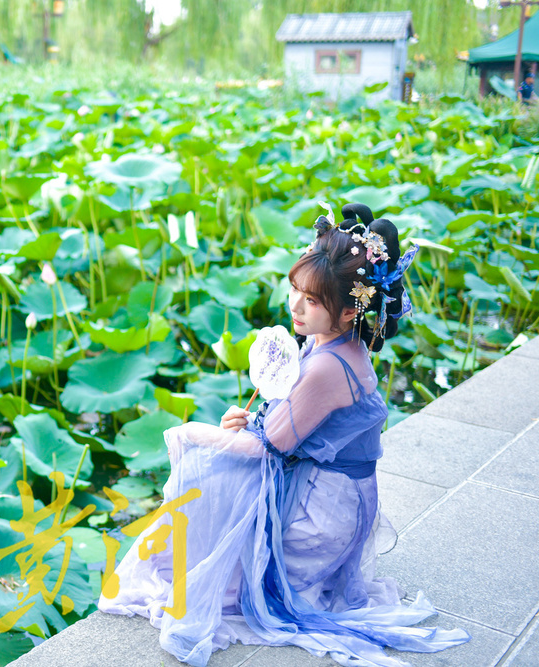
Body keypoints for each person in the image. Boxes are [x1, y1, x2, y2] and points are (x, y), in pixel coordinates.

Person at [98, 203, 469, 666]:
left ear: (350, 310)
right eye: (295, 289)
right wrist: (248, 419)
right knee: (214, 498)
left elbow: (265, 446)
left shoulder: (329, 366)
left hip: (322, 515)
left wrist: (192, 433)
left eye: (312, 301)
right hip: (330, 490)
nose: (295, 305)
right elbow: (282, 427)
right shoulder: (330, 341)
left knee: (211, 526)